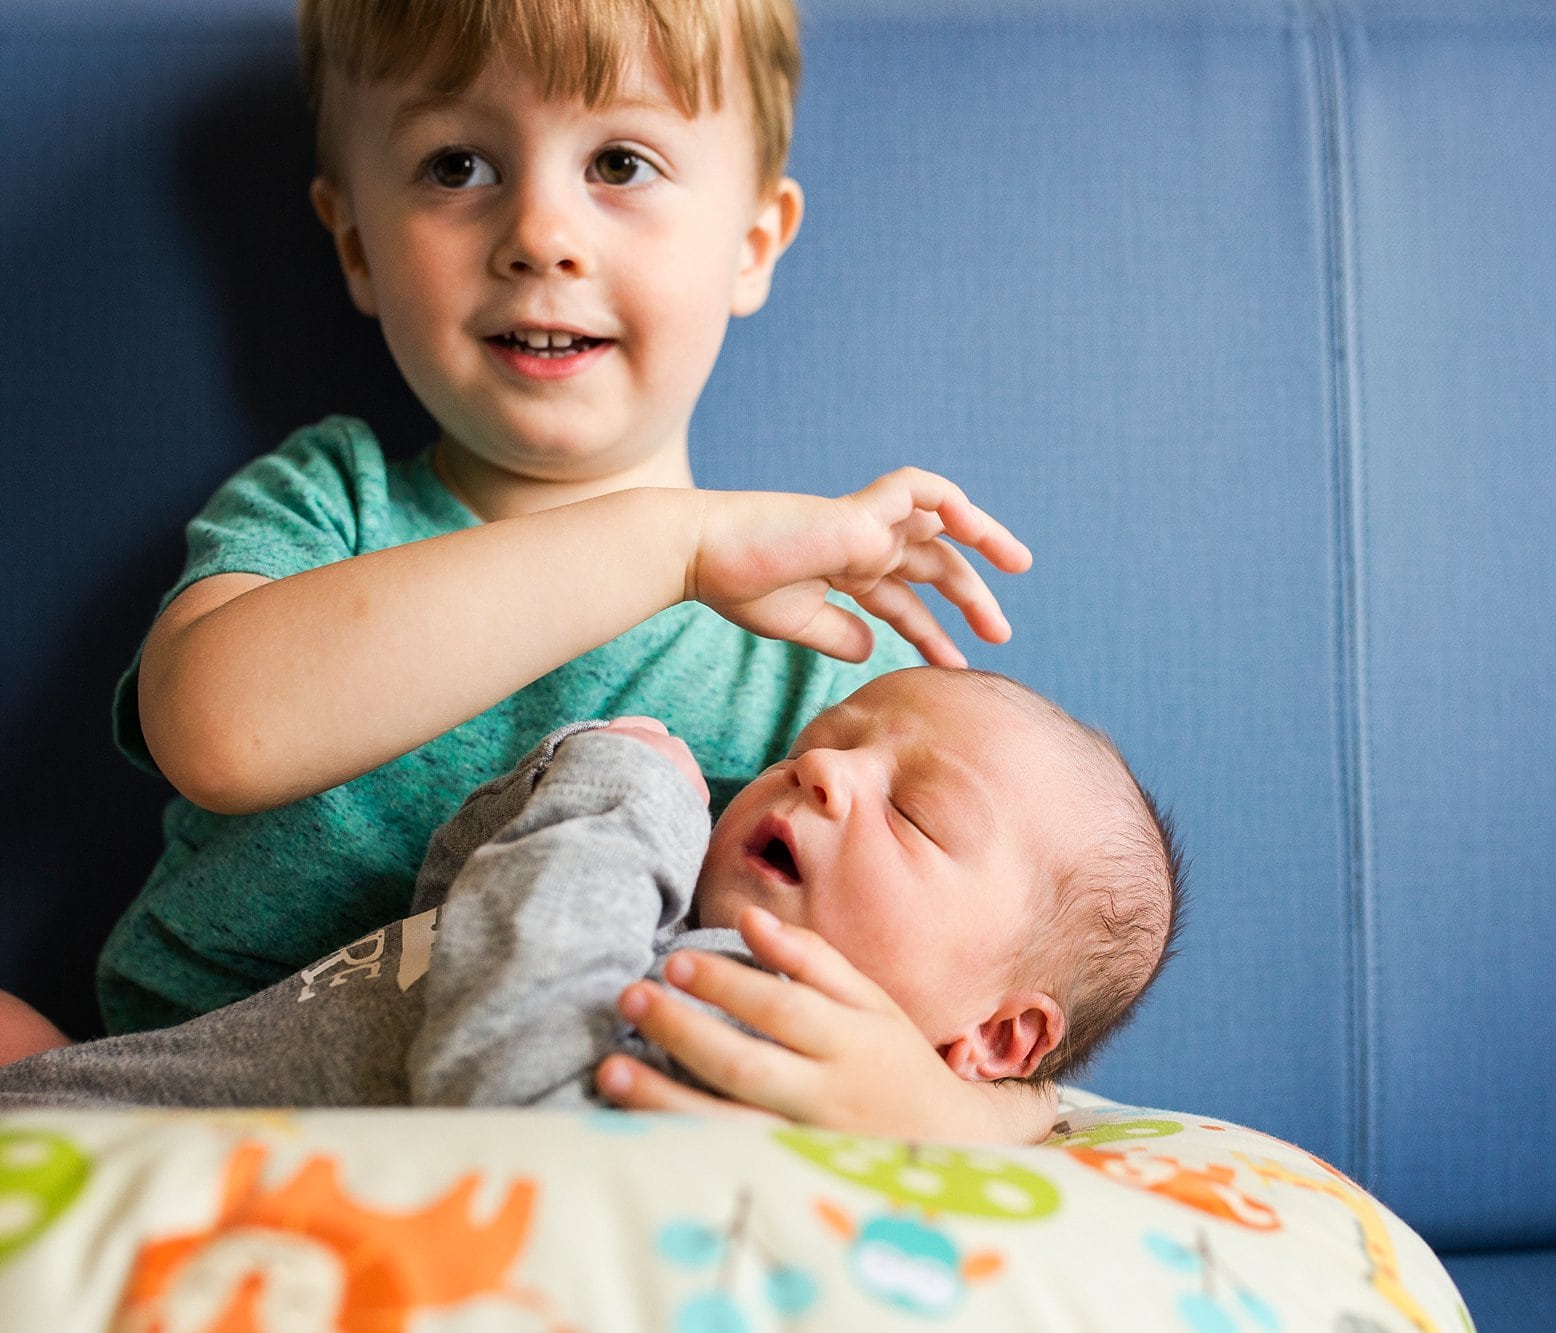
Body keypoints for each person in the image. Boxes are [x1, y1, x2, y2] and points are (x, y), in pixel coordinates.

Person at [100, 0, 1027, 1084]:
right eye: (455, 167)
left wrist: (958, 1111)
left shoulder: (835, 670)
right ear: (355, 242)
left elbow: (988, 992)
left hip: (561, 1134)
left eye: (622, 163)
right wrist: (671, 547)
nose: (539, 234)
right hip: (176, 1097)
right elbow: (217, 732)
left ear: (751, 242)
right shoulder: (329, 499)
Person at [3, 670, 1182, 1141]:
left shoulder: (757, 1014)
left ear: (998, 1036)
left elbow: (508, 1080)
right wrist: (560, 795)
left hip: (112, 1133)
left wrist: (626, 795)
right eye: (820, 746)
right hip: (125, 1081)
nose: (819, 771)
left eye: (914, 814)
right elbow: (453, 907)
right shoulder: (652, 917)